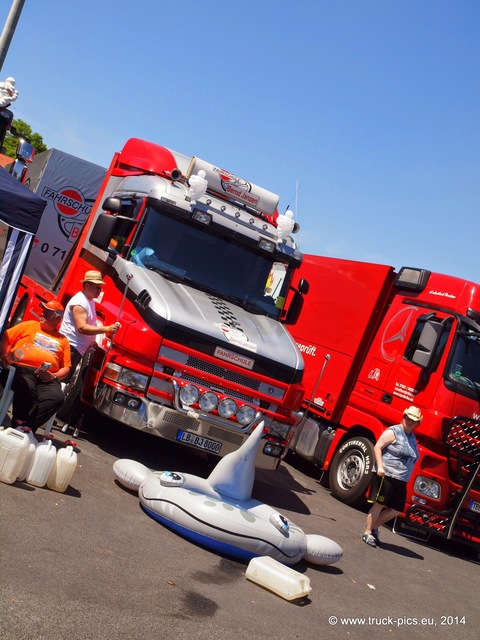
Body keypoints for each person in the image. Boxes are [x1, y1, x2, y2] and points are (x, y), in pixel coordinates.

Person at [58, 269, 119, 435]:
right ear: (86, 285)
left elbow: (87, 326)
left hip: (76, 348)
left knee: (62, 382)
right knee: (59, 382)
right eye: (96, 286)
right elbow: (82, 327)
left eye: (100, 286)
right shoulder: (80, 303)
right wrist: (106, 328)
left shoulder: (88, 300)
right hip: (69, 347)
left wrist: (90, 343)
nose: (100, 290)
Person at [0, 300, 71, 433]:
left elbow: (66, 368)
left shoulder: (63, 340)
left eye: (47, 313)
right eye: (43, 311)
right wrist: (4, 356)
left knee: (57, 397)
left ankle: (28, 427)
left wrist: (53, 376)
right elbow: (6, 337)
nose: (42, 314)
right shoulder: (30, 325)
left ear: (57, 319)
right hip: (22, 369)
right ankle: (19, 422)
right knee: (28, 388)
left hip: (47, 376)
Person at [362, 405, 422, 547]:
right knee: (379, 504)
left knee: (397, 509)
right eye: (408, 418)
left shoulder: (412, 437)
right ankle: (367, 532)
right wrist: (380, 466)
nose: (410, 421)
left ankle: (374, 527)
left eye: (414, 420)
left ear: (417, 423)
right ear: (404, 417)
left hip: (401, 479)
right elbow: (378, 447)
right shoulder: (393, 431)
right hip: (386, 475)